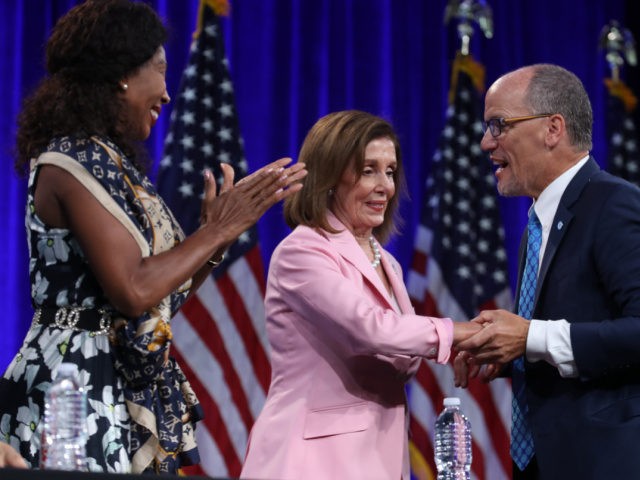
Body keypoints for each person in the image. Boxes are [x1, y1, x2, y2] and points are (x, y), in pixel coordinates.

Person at [0, 0, 306, 474]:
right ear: (122, 73)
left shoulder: (119, 169)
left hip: (120, 378)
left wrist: (212, 243)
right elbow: (132, 289)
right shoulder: (68, 161)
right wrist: (218, 230)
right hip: (73, 386)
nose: (166, 93)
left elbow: (158, 299)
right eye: (160, 71)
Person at [240, 110, 480, 480]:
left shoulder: (389, 266)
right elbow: (371, 330)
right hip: (311, 460)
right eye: (368, 170)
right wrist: (462, 333)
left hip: (377, 457)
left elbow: (400, 352)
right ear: (331, 176)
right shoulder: (303, 252)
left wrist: (461, 348)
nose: (384, 185)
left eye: (390, 171)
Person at [453, 63, 640, 479]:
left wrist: (531, 336)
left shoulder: (614, 205)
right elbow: (582, 322)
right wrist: (502, 353)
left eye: (498, 125)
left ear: (553, 129)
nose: (486, 142)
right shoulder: (538, 221)